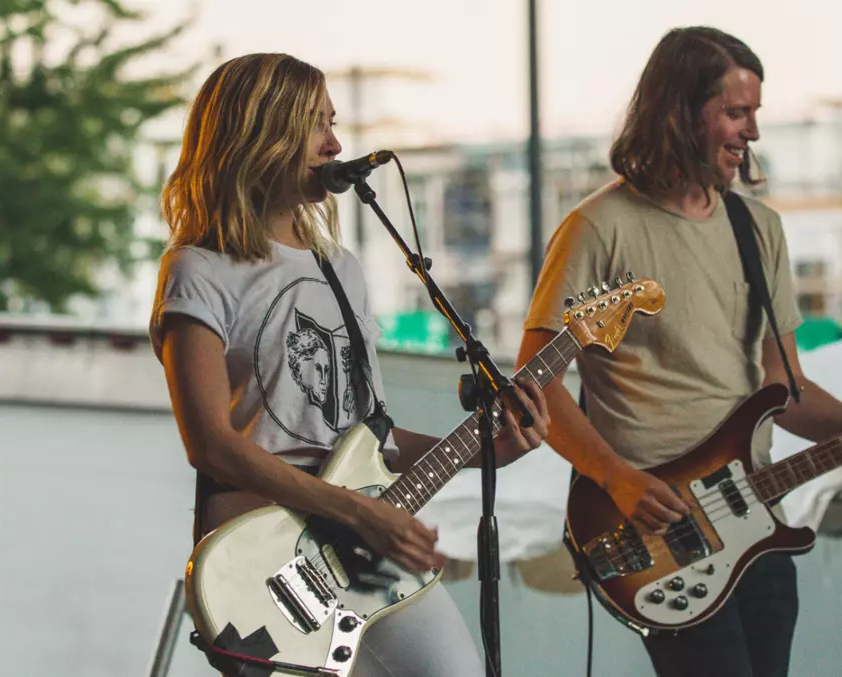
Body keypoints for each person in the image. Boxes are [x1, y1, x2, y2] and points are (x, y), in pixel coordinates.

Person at [517, 26, 842, 677]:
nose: (752, 132)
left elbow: (784, 387)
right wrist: (618, 478)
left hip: (756, 522)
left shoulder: (757, 227)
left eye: (756, 114)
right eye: (737, 113)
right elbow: (536, 385)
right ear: (681, 112)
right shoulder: (598, 228)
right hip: (658, 531)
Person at [150, 52, 550, 677]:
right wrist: (362, 512)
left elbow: (369, 442)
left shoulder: (343, 268)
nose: (336, 144)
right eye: (315, 125)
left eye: (334, 123)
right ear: (260, 133)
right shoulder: (199, 268)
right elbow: (212, 446)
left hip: (363, 546)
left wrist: (489, 448)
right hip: (266, 561)